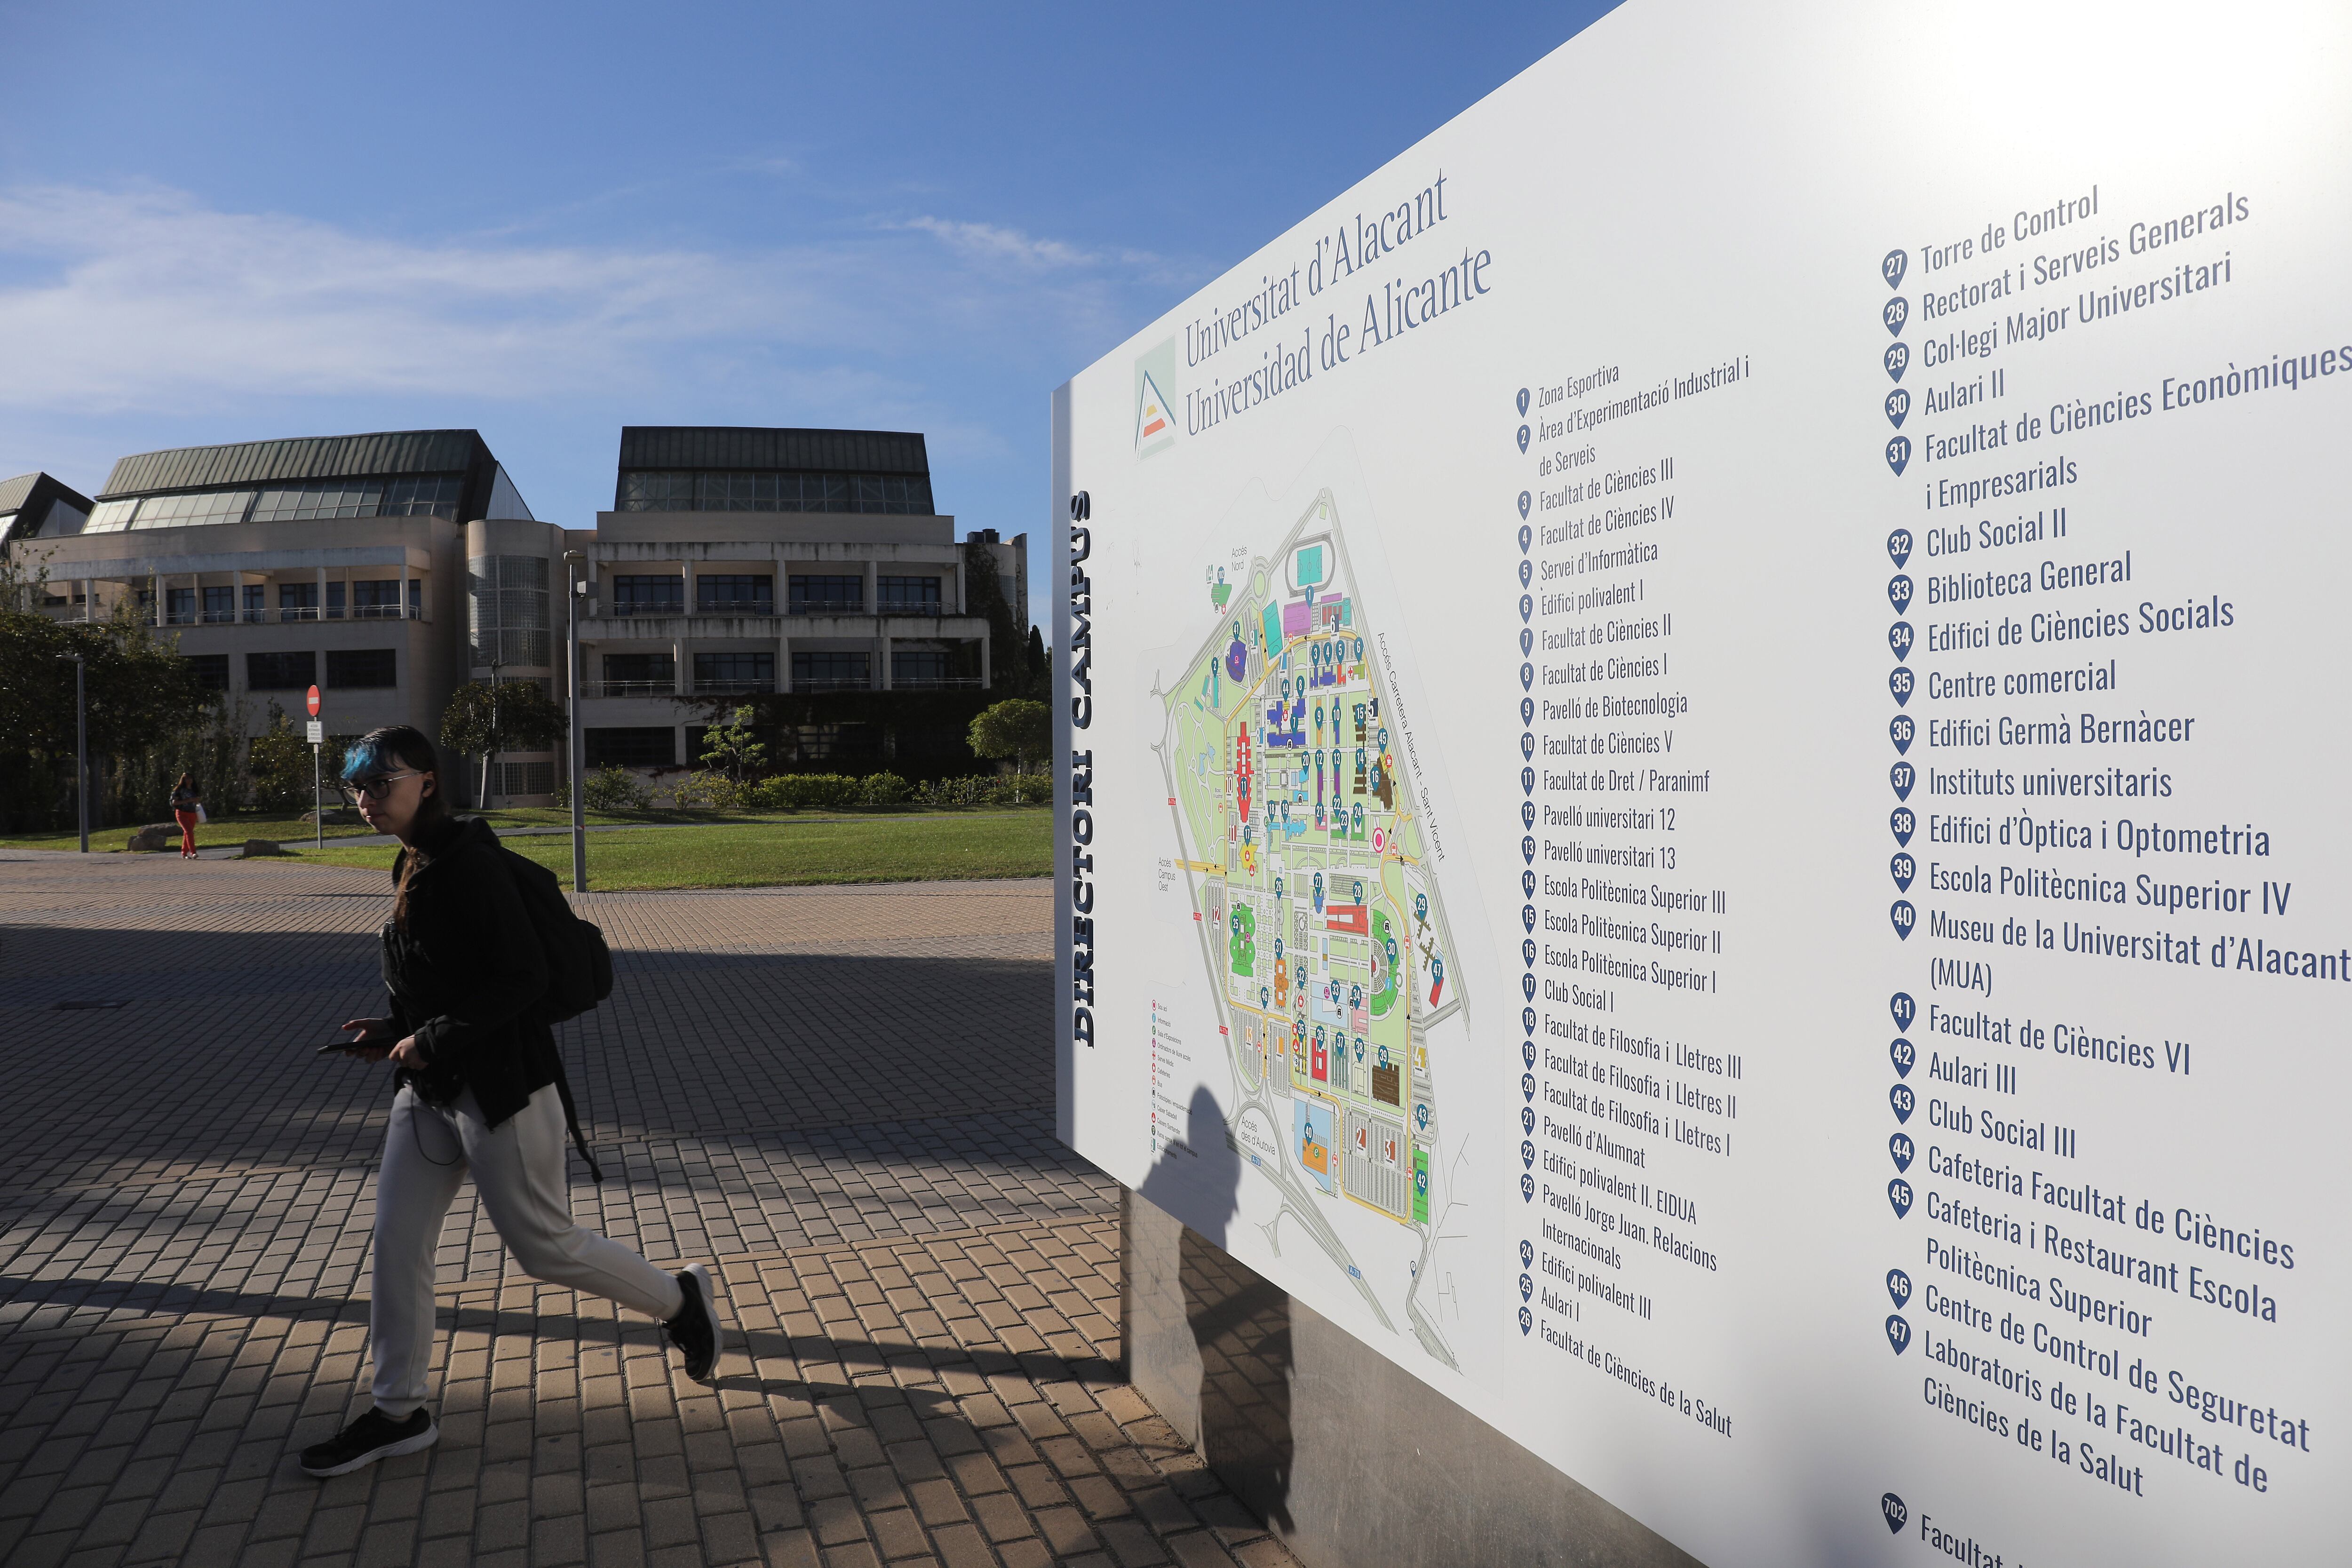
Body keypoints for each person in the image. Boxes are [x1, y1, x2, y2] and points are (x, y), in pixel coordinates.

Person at [298, 724, 724, 1479]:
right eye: (356, 787)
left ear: (427, 781)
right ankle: (398, 1411)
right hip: (429, 1092)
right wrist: (398, 1030)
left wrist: (432, 1038)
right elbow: (449, 980)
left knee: (544, 1247)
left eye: (379, 784)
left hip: (501, 1090)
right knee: (398, 1246)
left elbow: (521, 979)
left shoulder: (470, 868)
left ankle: (679, 1300)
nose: (364, 800)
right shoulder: (414, 860)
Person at [169, 772, 201, 859]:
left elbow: (198, 800)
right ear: (183, 780)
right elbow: (174, 803)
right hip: (182, 813)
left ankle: (184, 853)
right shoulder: (179, 790)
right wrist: (187, 801)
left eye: (191, 778)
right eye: (187, 779)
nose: (189, 780)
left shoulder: (195, 789)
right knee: (189, 832)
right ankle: (193, 852)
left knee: (187, 833)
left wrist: (196, 800)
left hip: (192, 813)